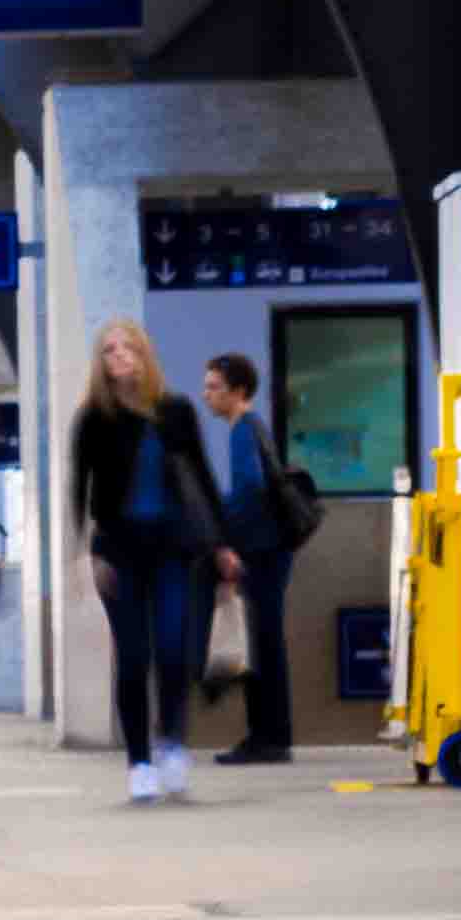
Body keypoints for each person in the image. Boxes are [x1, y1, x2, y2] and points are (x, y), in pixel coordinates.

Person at [69, 318, 222, 802]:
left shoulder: (175, 412)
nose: (119, 356)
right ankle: (138, 760)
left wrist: (223, 544)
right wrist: (83, 554)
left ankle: (172, 742)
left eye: (127, 347)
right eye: (109, 350)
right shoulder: (94, 418)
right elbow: (80, 490)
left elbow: (202, 476)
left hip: (173, 547)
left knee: (174, 651)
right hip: (118, 551)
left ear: (143, 353)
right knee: (133, 657)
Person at [196, 350, 321, 764]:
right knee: (266, 643)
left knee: (261, 644)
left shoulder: (242, 429)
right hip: (271, 549)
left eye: (214, 387)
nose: (206, 394)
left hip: (262, 552)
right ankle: (272, 736)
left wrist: (224, 533)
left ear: (238, 391)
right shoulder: (252, 427)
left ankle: (266, 739)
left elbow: (249, 488)